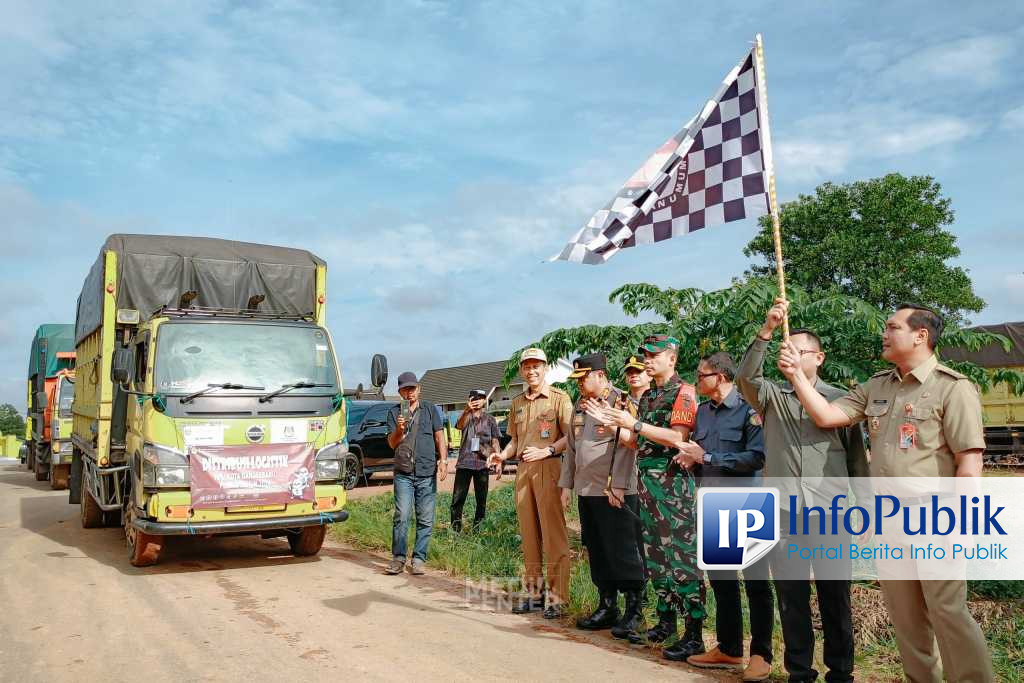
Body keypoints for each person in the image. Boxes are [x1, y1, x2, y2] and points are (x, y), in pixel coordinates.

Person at [777, 302, 994, 683]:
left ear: (920, 335)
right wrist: (797, 376)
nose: (885, 333)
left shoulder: (952, 387)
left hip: (935, 518)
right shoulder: (877, 385)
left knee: (947, 611)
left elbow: (969, 462)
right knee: (906, 615)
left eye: (893, 327)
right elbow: (827, 416)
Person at [737, 301, 867, 683]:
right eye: (785, 350)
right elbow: (746, 378)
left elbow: (858, 461)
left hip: (831, 513)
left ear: (819, 357)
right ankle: (799, 671)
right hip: (784, 515)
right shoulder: (772, 397)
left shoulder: (841, 399)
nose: (789, 355)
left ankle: (841, 672)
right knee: (791, 598)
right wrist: (766, 330)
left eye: (799, 350)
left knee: (835, 598)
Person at [587, 335, 705, 658]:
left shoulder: (684, 393)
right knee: (656, 559)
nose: (648, 360)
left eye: (654, 355)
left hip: (674, 487)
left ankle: (694, 631)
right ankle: (666, 622)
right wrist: (614, 425)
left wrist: (634, 423)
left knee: (681, 558)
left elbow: (677, 439)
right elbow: (636, 443)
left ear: (672, 359)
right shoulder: (650, 395)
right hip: (647, 487)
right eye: (645, 355)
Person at [676, 352, 770, 678]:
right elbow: (701, 456)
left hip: (749, 505)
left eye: (702, 375)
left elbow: (756, 458)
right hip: (713, 504)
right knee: (723, 583)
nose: (697, 379)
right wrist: (692, 459)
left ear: (721, 377)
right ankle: (729, 650)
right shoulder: (702, 413)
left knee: (756, 585)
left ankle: (761, 655)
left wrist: (708, 456)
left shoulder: (749, 411)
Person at [558, 353, 645, 632]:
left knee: (623, 551)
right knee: (597, 549)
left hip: (614, 490)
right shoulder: (580, 406)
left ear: (600, 375)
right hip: (587, 490)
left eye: (583, 378)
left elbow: (628, 449)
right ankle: (607, 605)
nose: (580, 384)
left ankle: (634, 609)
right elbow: (571, 449)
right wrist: (566, 486)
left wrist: (618, 484)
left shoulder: (622, 402)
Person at [488, 348, 572, 619]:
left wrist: (547, 451)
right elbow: (515, 440)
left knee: (553, 535)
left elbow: (571, 438)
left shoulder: (559, 399)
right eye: (527, 367)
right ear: (522, 371)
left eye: (537, 366)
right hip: (523, 473)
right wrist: (502, 455)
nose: (532, 371)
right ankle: (535, 594)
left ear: (545, 368)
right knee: (529, 536)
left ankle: (558, 598)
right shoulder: (517, 403)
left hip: (549, 469)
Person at [384, 371, 448, 576]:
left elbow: (440, 436)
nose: (410, 392)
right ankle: (399, 558)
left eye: (413, 388)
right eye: (405, 389)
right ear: (400, 392)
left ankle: (419, 559)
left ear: (419, 389)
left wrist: (444, 460)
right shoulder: (394, 413)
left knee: (426, 518)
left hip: (426, 470)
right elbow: (392, 444)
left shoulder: (430, 409)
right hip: (403, 472)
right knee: (402, 515)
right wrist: (399, 430)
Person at [450, 389, 500, 532]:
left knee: (481, 500)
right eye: (473, 398)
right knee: (457, 499)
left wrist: (498, 458)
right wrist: (466, 410)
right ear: (469, 400)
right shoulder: (466, 416)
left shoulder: (490, 419)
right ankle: (455, 531)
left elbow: (495, 440)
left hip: (483, 463)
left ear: (485, 400)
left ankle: (478, 529)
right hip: (465, 463)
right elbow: (459, 426)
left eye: (480, 398)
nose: (477, 401)